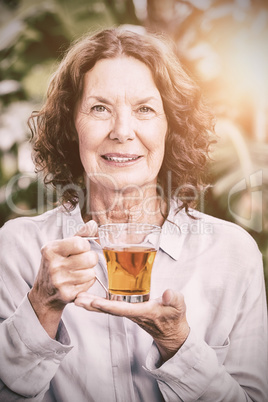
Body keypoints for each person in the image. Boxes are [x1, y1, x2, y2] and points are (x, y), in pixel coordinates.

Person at [0, 27, 267, 402]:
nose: (123, 131)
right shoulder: (17, 248)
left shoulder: (233, 254)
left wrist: (178, 344)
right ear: (70, 124)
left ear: (169, 127)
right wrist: (41, 306)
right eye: (99, 108)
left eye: (144, 109)